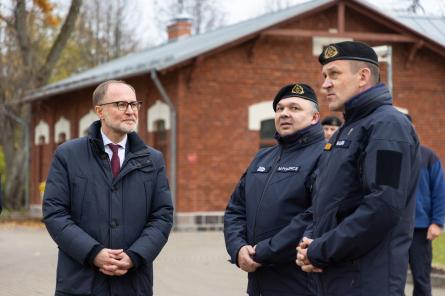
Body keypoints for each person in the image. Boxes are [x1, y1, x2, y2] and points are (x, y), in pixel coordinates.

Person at [296, 41, 420, 296]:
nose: (325, 84)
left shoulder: (388, 127)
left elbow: (384, 204)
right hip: (336, 277)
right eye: (324, 76)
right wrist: (310, 241)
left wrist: (321, 249)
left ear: (363, 76)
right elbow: (327, 201)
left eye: (334, 74)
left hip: (366, 282)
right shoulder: (347, 129)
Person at [43, 80, 174, 296]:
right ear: (100, 111)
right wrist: (93, 253)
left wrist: (135, 256)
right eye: (121, 104)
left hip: (133, 284)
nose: (130, 111)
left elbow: (162, 216)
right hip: (80, 283)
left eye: (134, 104)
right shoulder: (68, 155)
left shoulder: (153, 160)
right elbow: (55, 213)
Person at [224, 83, 325, 295]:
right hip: (258, 279)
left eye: (294, 108)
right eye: (280, 109)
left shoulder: (325, 156)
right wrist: (238, 249)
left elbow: (315, 215)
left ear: (315, 117)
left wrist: (264, 252)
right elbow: (236, 208)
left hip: (298, 281)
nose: (285, 114)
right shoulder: (263, 157)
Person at [406, 115, 445, 296]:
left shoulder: (429, 157)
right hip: (393, 228)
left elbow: (440, 191)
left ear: (413, 129)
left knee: (421, 279)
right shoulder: (390, 156)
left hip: (420, 230)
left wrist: (437, 222)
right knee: (393, 279)